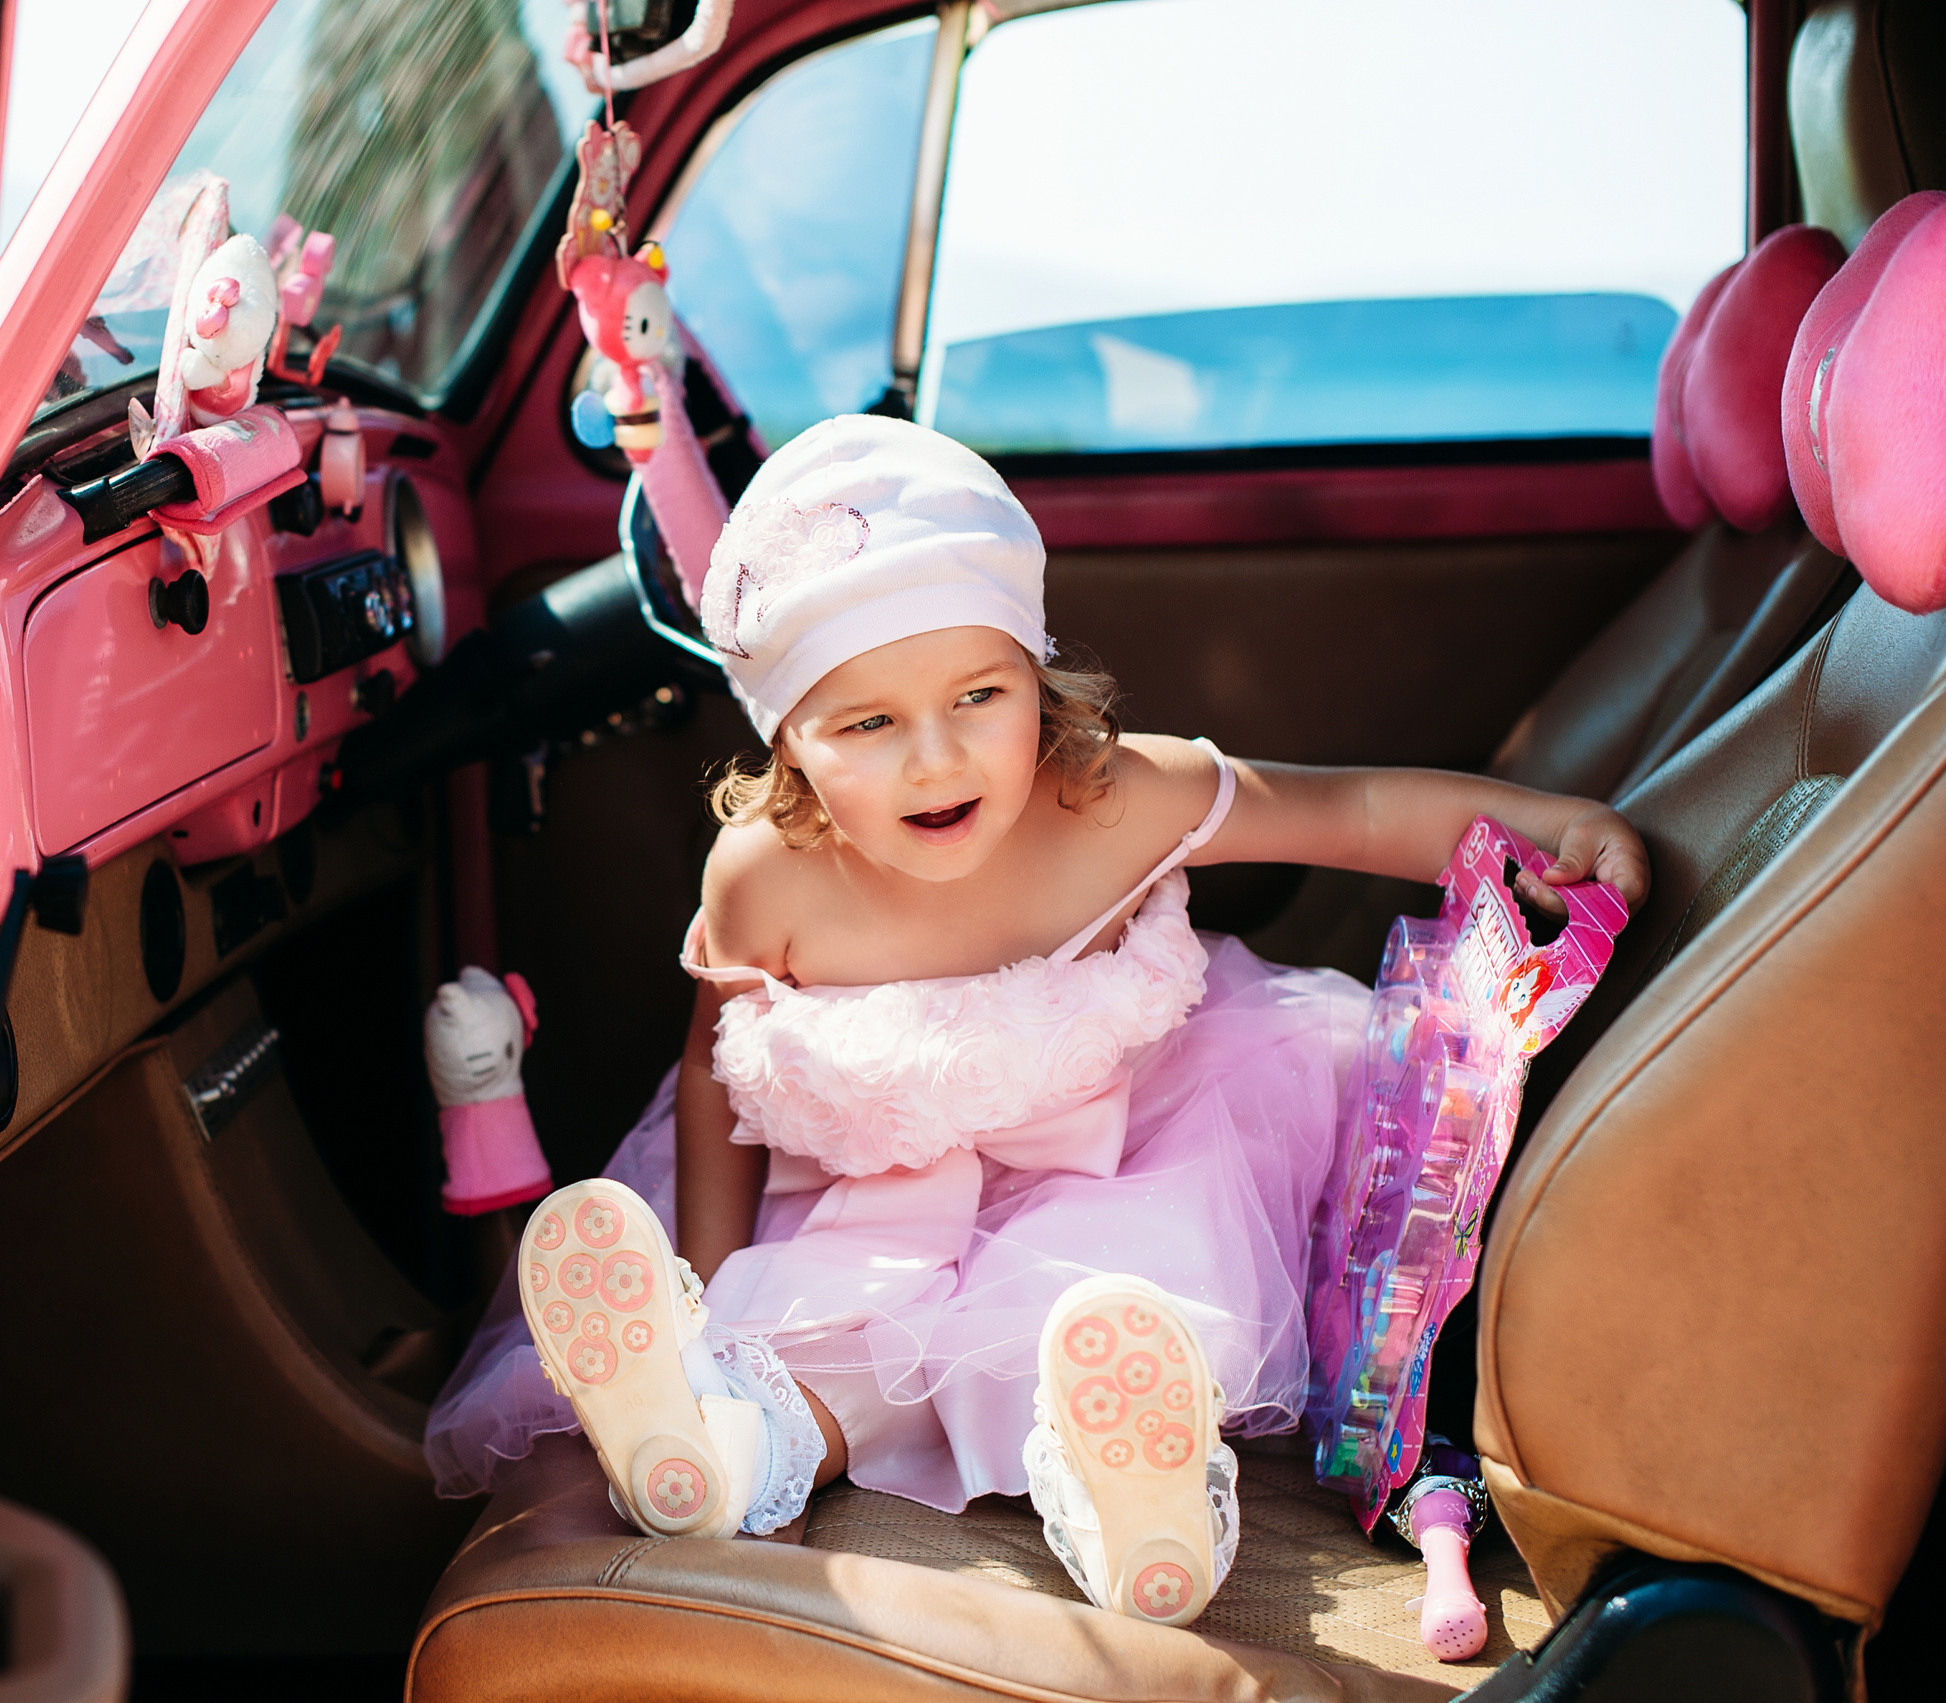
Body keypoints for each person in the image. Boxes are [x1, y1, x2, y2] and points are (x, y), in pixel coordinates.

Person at [424, 415, 1646, 1626]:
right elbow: (715, 1073)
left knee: (1108, 1305)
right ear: (784, 739)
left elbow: (1357, 810)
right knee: (836, 1336)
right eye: (867, 722)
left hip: (1122, 1149)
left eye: (978, 694)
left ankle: (1129, 1488)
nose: (937, 757)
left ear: (1035, 676)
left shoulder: (1109, 796)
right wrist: (707, 1284)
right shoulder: (761, 874)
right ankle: (727, 1435)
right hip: (874, 1183)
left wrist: (1546, 827)